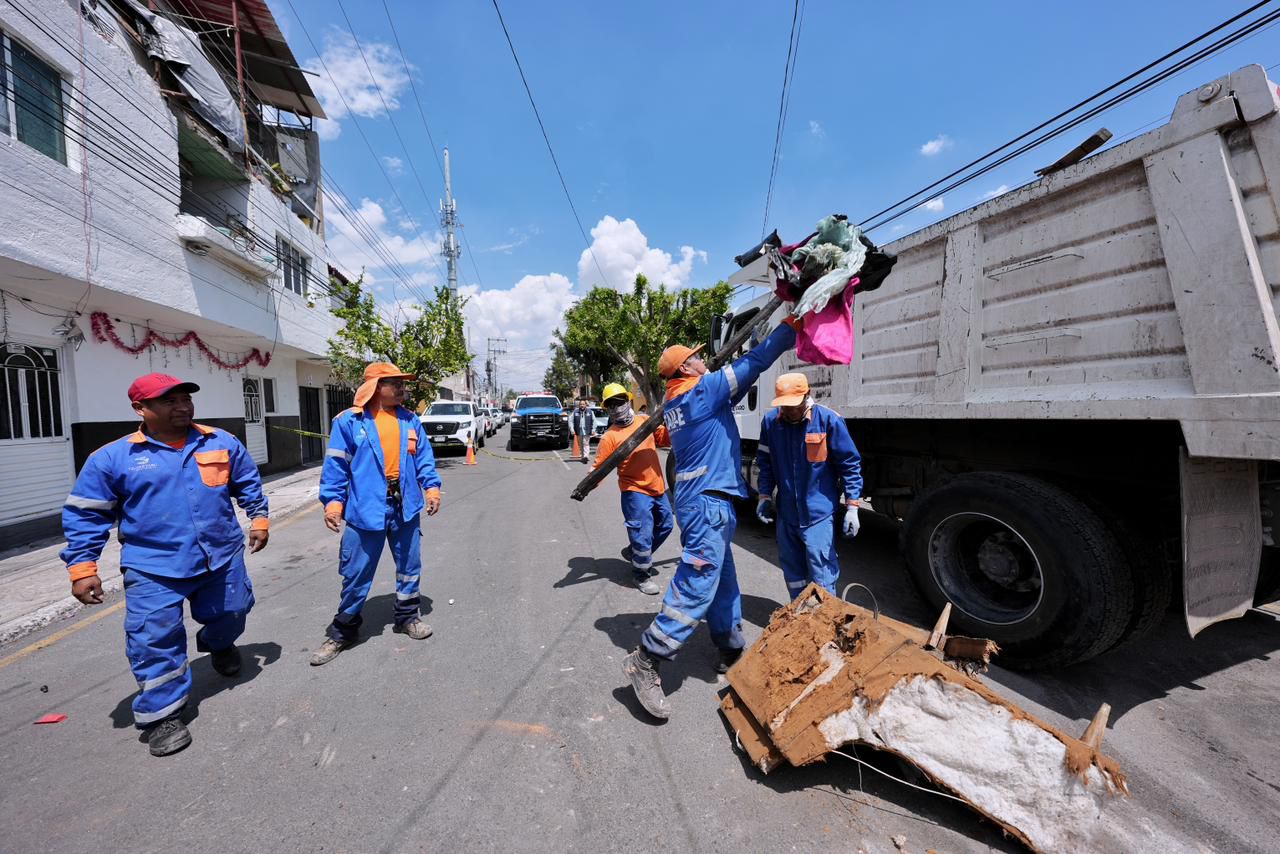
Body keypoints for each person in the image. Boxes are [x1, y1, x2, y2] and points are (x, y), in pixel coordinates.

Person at [61, 373, 269, 756]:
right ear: (141, 408)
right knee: (154, 640)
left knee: (234, 610)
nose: (183, 406)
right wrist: (82, 568)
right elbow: (86, 516)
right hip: (153, 566)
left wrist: (259, 519)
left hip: (220, 556)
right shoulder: (111, 459)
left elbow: (247, 482)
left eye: (185, 399)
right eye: (169, 401)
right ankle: (163, 713)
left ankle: (218, 643)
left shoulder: (221, 442)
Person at [623, 316, 800, 719]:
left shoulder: (678, 403)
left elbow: (735, 391)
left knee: (721, 578)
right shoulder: (701, 392)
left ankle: (730, 646)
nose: (705, 363)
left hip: (699, 499)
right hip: (706, 502)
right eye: (698, 360)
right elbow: (757, 361)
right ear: (686, 368)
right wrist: (792, 325)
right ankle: (647, 657)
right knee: (699, 579)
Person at [312, 362, 441, 666]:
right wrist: (332, 503)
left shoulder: (410, 421)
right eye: (393, 383)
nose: (401, 388)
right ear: (374, 387)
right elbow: (336, 467)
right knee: (356, 572)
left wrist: (432, 488)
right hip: (365, 508)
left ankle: (407, 616)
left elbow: (424, 459)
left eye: (401, 383)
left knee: (410, 565)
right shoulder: (349, 422)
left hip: (404, 506)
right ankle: (343, 630)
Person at [755, 373, 864, 599]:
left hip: (818, 515)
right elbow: (765, 463)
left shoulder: (828, 421)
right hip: (787, 514)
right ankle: (799, 617)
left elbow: (849, 464)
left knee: (822, 575)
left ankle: (824, 626)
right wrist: (764, 495)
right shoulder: (770, 423)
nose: (788, 410)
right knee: (793, 573)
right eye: (784, 405)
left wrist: (852, 505)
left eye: (793, 405)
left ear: (808, 395)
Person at [591, 383, 675, 595]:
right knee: (642, 533)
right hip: (634, 491)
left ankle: (636, 554)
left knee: (665, 524)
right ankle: (641, 574)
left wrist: (673, 425)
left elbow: (663, 439)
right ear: (606, 409)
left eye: (620, 401)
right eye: (611, 404)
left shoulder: (644, 421)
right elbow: (599, 468)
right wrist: (587, 484)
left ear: (628, 401)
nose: (616, 407)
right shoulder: (610, 437)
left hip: (657, 486)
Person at [570, 398, 595, 462]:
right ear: (579, 405)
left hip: (587, 430)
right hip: (578, 430)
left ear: (585, 405)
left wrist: (593, 429)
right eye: (581, 404)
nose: (582, 405)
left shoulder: (590, 412)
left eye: (583, 404)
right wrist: (572, 429)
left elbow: (594, 421)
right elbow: (570, 421)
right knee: (580, 444)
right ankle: (583, 456)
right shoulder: (575, 412)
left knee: (585, 443)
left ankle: (586, 456)